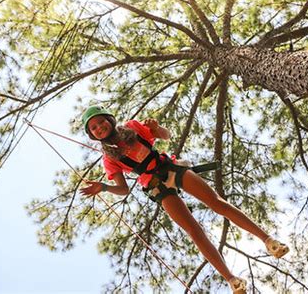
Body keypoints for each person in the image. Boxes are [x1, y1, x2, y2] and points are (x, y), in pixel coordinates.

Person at [80, 105, 289, 294]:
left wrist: (157, 129)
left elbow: (166, 136)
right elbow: (123, 189)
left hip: (171, 168)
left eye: (101, 122)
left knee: (216, 203)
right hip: (155, 185)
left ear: (110, 119)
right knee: (193, 230)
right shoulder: (110, 159)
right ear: (92, 135)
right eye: (94, 128)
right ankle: (232, 279)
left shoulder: (132, 127)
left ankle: (268, 240)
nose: (100, 128)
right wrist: (105, 187)